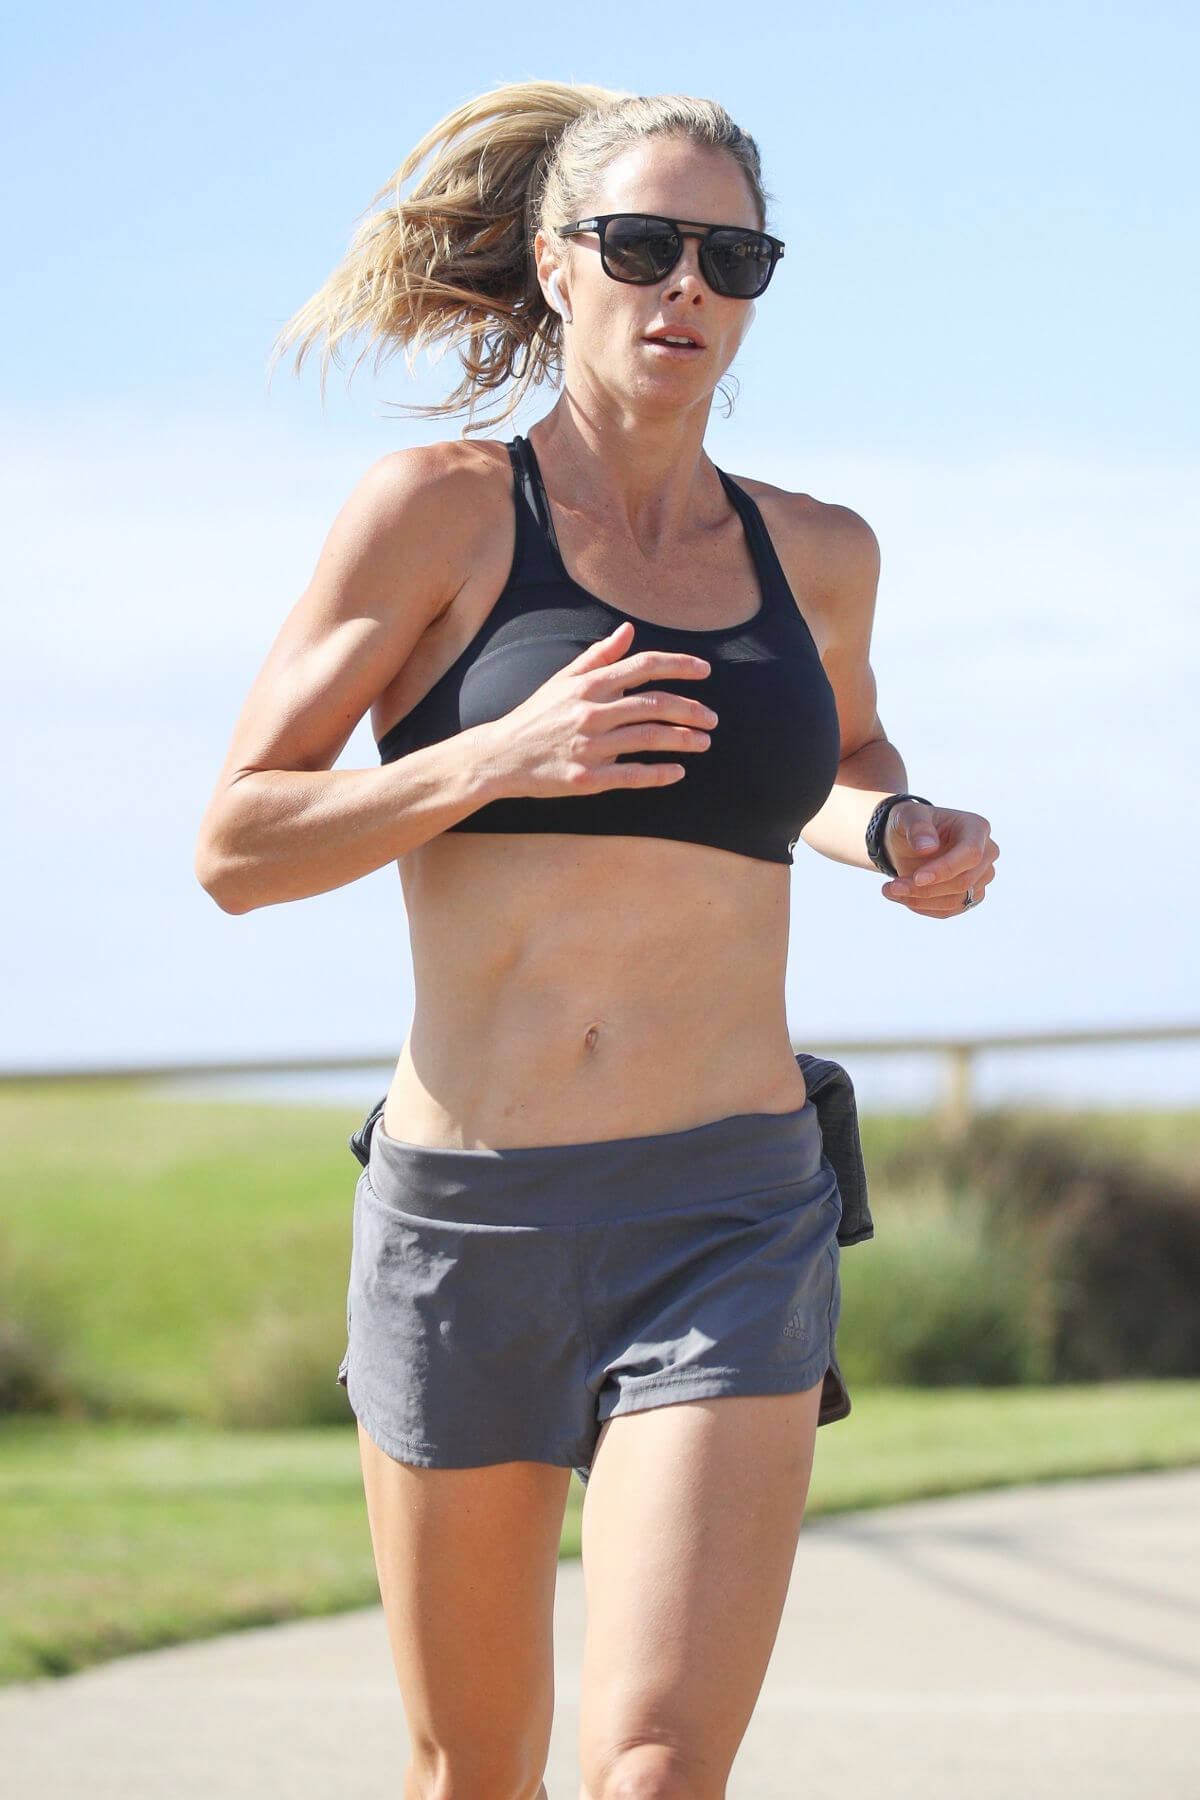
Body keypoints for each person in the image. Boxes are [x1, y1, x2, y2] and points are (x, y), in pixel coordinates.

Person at [195, 80, 998, 1800]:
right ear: (559, 266)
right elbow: (237, 845)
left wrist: (900, 830)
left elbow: (830, 767)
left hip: (729, 1207)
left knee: (651, 1767)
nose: (684, 288)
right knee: (473, 1771)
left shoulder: (820, 554)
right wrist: (497, 755)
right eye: (642, 245)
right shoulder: (439, 516)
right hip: (467, 1212)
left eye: (731, 256)